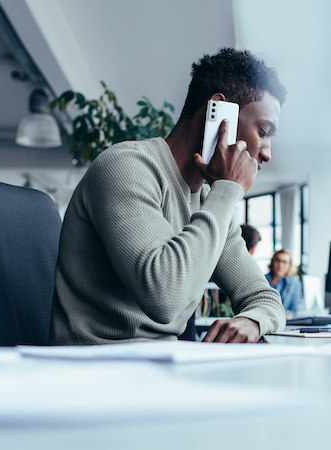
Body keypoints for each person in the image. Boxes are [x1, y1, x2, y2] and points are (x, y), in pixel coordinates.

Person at [50, 48, 287, 345]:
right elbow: (164, 297)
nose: (266, 153)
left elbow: (264, 297)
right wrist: (228, 189)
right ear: (219, 113)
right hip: (98, 372)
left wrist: (253, 320)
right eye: (263, 131)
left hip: (160, 369)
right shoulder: (126, 167)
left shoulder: (209, 200)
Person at [265, 249, 302, 319]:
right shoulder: (262, 280)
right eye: (278, 260)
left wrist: (288, 315)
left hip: (285, 322)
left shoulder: (295, 284)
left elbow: (295, 311)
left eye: (284, 262)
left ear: (289, 265)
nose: (280, 265)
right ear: (273, 262)